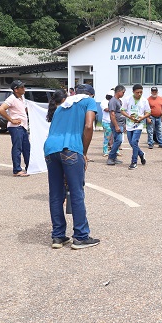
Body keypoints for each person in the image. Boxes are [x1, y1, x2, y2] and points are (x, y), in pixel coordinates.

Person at [44, 85, 100, 249]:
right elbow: (89, 126)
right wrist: (84, 152)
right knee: (76, 192)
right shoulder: (89, 101)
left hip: (50, 149)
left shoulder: (63, 105)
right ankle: (81, 236)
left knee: (56, 193)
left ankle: (58, 236)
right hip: (71, 149)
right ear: (90, 94)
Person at [0, 79, 30, 176]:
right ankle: (17, 170)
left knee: (26, 148)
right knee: (17, 148)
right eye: (22, 87)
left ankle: (29, 167)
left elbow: (23, 110)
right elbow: (1, 109)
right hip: (16, 127)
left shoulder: (22, 98)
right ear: (16, 89)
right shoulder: (11, 99)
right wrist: (11, 120)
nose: (24, 89)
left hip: (23, 126)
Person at [121, 84, 150, 170]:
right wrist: (129, 117)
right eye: (137, 92)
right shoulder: (127, 99)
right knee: (132, 143)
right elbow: (122, 110)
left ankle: (134, 162)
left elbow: (148, 112)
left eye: (141, 92)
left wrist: (143, 117)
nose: (139, 94)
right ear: (133, 92)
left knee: (134, 141)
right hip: (130, 124)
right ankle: (141, 154)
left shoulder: (144, 100)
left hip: (139, 124)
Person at [106, 85, 126, 166]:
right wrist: (116, 126)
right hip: (116, 124)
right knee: (118, 140)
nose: (123, 94)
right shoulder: (113, 101)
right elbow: (112, 114)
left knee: (117, 141)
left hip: (120, 123)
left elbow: (121, 112)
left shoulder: (119, 101)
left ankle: (114, 157)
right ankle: (110, 157)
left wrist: (124, 125)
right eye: (123, 92)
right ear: (118, 91)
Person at [100, 90, 114, 156]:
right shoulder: (104, 102)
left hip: (113, 121)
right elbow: (106, 109)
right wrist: (114, 108)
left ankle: (115, 151)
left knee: (115, 138)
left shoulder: (113, 101)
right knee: (107, 137)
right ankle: (105, 151)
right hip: (106, 122)